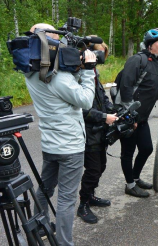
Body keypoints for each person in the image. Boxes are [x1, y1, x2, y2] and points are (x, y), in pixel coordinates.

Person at [26, 24, 96, 246]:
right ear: (49, 41)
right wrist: (87, 70)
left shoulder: (30, 73)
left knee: (45, 188)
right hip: (70, 147)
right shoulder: (58, 78)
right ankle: (65, 243)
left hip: (50, 144)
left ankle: (39, 227)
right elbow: (85, 100)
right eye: (56, 36)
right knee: (66, 200)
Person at [115, 28, 158, 198]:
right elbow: (126, 88)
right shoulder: (137, 60)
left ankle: (135, 177)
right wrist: (129, 116)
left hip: (143, 117)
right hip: (128, 115)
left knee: (146, 148)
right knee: (128, 152)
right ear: (150, 45)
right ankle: (130, 185)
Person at [77, 41, 118, 224]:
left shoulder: (93, 73)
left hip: (99, 130)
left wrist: (113, 111)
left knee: (100, 166)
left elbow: (101, 98)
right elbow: (80, 109)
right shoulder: (78, 75)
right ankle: (83, 204)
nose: (99, 58)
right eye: (96, 53)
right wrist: (103, 117)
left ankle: (91, 195)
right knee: (93, 170)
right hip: (87, 131)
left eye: (102, 54)